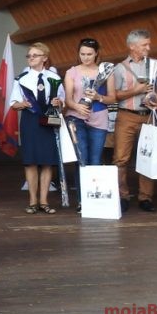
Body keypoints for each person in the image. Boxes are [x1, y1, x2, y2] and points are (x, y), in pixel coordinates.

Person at [112, 29, 157, 213]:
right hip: (126, 115)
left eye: (148, 44)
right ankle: (122, 196)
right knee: (121, 158)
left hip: (149, 116)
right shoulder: (120, 68)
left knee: (147, 156)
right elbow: (115, 95)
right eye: (144, 45)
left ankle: (146, 197)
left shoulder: (156, 65)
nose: (148, 48)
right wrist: (136, 91)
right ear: (132, 46)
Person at [9, 42, 64, 215]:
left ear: (44, 58)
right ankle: (33, 201)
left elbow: (62, 102)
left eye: (35, 55)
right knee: (31, 161)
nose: (31, 58)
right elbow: (13, 104)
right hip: (30, 120)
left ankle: (44, 201)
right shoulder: (21, 79)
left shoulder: (54, 78)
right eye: (29, 55)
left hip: (49, 120)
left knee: (47, 161)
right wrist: (23, 104)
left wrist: (58, 102)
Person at [63, 38, 117, 210]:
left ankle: (95, 199)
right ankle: (82, 200)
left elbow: (112, 98)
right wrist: (76, 106)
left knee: (95, 159)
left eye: (89, 54)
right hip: (76, 118)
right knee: (82, 159)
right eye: (82, 54)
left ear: (96, 54)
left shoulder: (106, 71)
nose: (85, 57)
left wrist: (98, 97)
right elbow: (68, 99)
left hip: (99, 118)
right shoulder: (72, 72)